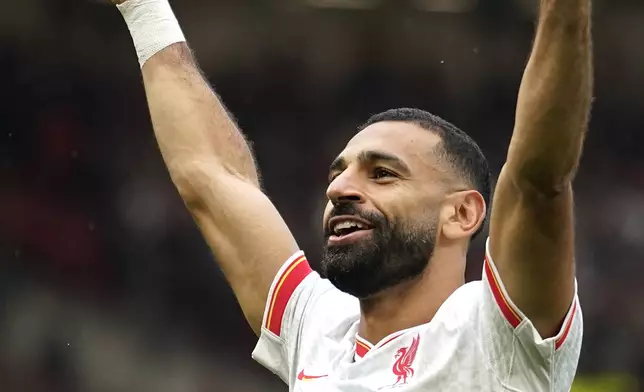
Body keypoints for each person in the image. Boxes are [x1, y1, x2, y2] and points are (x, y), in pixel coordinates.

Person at [107, 0, 592, 390]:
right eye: (339, 173)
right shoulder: (319, 331)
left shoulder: (496, 334)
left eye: (382, 174)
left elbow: (538, 177)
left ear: (462, 213)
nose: (340, 189)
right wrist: (141, 7)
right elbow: (211, 177)